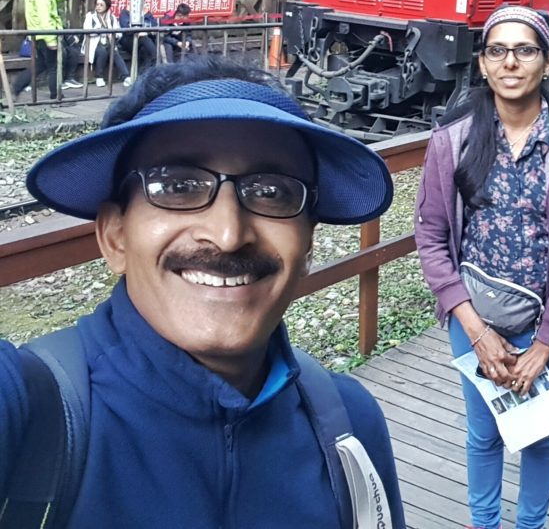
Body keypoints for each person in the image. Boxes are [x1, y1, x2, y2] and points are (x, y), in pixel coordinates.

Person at [3, 57, 406, 527]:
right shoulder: (28, 409)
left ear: (308, 244)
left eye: (272, 192)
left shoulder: (349, 425)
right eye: (177, 185)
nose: (228, 234)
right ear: (115, 236)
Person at [415, 5, 549, 529]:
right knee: (483, 435)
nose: (511, 63)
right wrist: (474, 330)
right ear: (482, 64)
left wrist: (544, 344)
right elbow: (431, 237)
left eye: (525, 50)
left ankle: (530, 525)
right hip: (475, 320)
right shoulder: (452, 138)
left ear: (548, 63)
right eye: (497, 51)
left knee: (539, 436)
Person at [12, 0, 83, 100]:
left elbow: (57, 1)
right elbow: (45, 16)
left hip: (41, 33)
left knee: (41, 64)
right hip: (45, 33)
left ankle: (17, 86)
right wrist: (51, 39)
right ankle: (56, 95)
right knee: (54, 66)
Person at [83, 0, 131, 87]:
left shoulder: (111, 17)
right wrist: (99, 31)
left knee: (114, 52)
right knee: (102, 52)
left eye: (101, 5)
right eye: (97, 4)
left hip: (109, 43)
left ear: (107, 6)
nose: (99, 7)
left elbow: (118, 32)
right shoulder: (90, 16)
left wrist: (114, 35)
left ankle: (126, 76)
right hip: (93, 43)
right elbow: (87, 31)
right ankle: (99, 77)